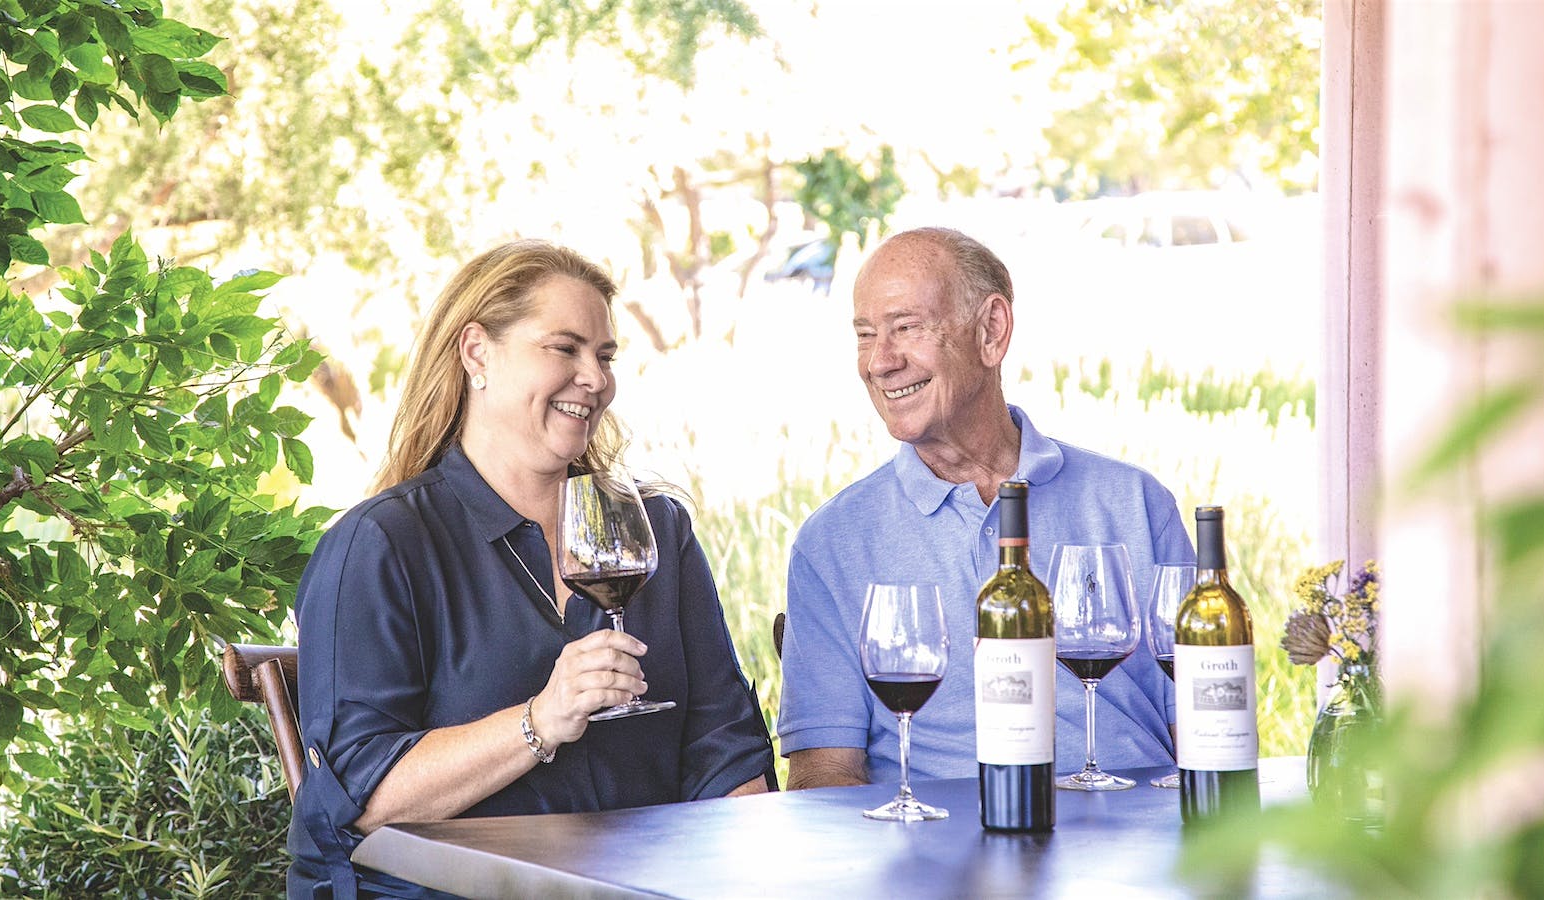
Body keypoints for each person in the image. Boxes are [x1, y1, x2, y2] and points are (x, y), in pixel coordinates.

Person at [287, 241, 772, 898]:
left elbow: (725, 747)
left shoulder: (654, 532)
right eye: (565, 349)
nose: (596, 378)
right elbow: (363, 798)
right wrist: (540, 719)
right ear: (476, 353)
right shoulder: (383, 545)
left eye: (603, 356)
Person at [777, 227, 1194, 791]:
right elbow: (824, 773)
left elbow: (1204, 723)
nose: (879, 361)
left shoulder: (1136, 504)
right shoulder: (834, 541)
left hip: (1138, 845)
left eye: (906, 328)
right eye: (865, 335)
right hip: (936, 858)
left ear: (991, 332)